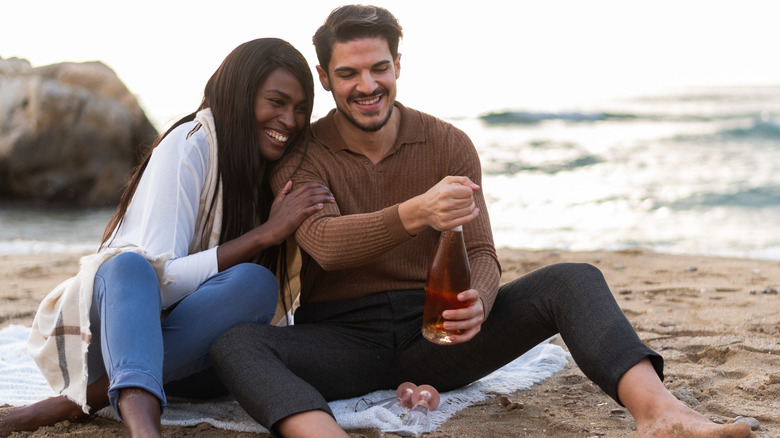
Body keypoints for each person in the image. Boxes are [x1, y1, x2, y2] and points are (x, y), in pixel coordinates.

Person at [209, 6, 752, 438]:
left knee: (574, 279)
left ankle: (661, 415)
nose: (367, 85)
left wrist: (483, 302)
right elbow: (325, 245)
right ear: (326, 78)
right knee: (238, 344)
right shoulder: (303, 157)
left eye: (379, 68)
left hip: (439, 338)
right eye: (348, 73)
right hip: (342, 341)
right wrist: (416, 212)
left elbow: (485, 254)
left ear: (399, 65)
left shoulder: (448, 143)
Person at [0, 38, 332, 438]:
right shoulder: (189, 145)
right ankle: (146, 432)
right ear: (240, 96)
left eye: (300, 109)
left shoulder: (270, 173)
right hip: (115, 339)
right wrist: (264, 235)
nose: (290, 120)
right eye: (276, 102)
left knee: (257, 283)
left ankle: (75, 403)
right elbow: (162, 282)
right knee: (128, 265)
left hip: (191, 361)